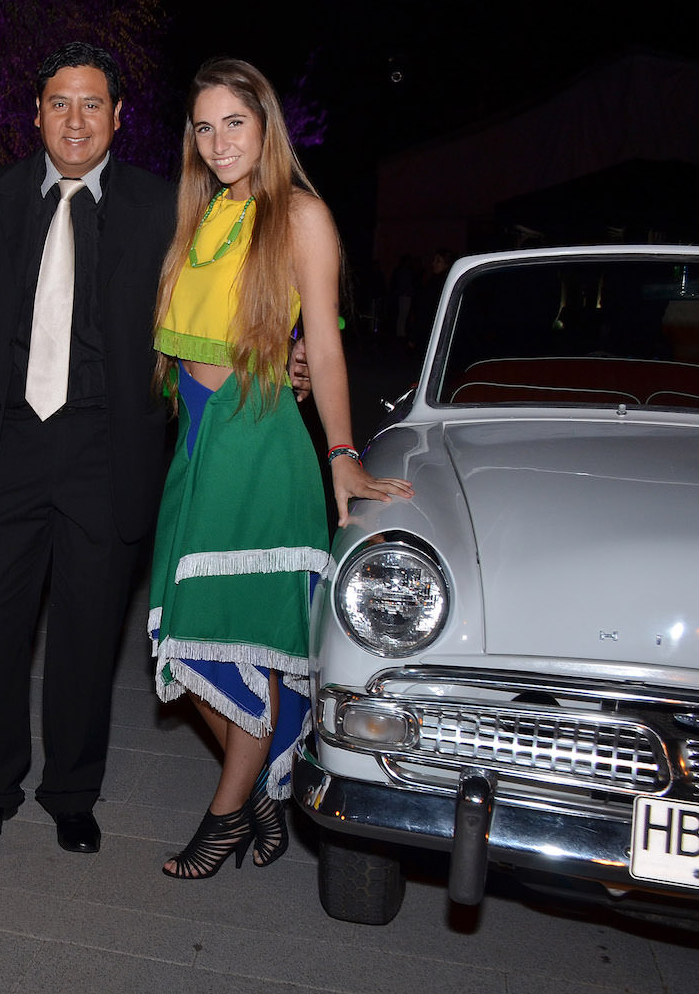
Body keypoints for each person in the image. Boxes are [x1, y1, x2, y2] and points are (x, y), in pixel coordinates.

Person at [148, 57, 412, 879]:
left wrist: (342, 454)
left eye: (234, 122)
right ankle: (265, 779)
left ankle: (225, 813)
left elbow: (324, 347)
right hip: (197, 443)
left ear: (265, 125)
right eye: (203, 126)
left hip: (258, 444)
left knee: (240, 638)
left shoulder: (299, 214)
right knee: (183, 641)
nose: (218, 140)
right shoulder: (200, 214)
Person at [0, 42, 173, 855]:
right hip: (3, 444)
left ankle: (72, 793)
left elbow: (209, 308)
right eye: (58, 103)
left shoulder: (162, 207)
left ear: (117, 116)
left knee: (87, 635)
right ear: (36, 113)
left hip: (104, 448)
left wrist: (284, 353)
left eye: (90, 104)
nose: (73, 120)